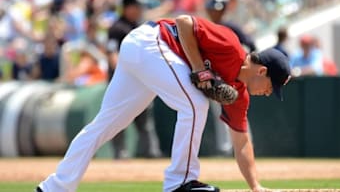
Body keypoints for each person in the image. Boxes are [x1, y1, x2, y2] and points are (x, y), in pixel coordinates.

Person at [35, 14, 291, 192]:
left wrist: (255, 186)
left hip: (146, 57)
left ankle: (54, 188)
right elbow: (183, 22)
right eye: (272, 86)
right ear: (261, 71)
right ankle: (180, 183)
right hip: (150, 41)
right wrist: (199, 67)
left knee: (105, 125)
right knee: (195, 104)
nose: (269, 93)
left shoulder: (239, 94)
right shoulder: (231, 45)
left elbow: (241, 141)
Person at [107, 0, 162, 159]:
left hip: (140, 81)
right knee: (118, 118)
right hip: (124, 82)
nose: (139, 10)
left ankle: (151, 152)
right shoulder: (117, 27)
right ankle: (120, 152)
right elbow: (112, 54)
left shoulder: (138, 27)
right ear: (127, 8)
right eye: (136, 7)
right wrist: (123, 76)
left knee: (144, 120)